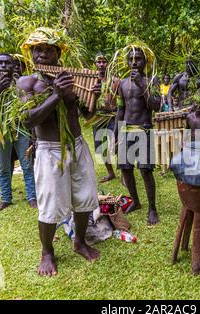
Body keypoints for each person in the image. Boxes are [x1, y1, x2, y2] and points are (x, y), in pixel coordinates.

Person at [17, 27, 102, 276]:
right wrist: (56, 95)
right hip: (50, 150)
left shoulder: (70, 77)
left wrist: (92, 97)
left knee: (85, 198)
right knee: (50, 206)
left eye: (49, 50)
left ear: (57, 54)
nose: (43, 55)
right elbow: (27, 120)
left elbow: (88, 114)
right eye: (38, 50)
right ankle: (47, 253)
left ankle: (80, 242)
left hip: (76, 145)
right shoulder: (27, 83)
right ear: (31, 54)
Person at [0, 53, 37, 212]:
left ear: (14, 66)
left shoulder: (21, 83)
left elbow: (28, 108)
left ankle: (32, 197)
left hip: (21, 129)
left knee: (27, 165)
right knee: (3, 167)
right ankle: (6, 199)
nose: (4, 66)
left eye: (8, 63)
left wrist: (33, 134)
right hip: (0, 132)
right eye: (0, 63)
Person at [114, 45, 161, 226]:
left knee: (146, 171)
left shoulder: (151, 81)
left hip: (144, 130)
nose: (134, 62)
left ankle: (152, 208)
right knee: (126, 169)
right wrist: (116, 135)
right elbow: (120, 109)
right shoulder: (122, 84)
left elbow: (155, 105)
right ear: (127, 62)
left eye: (138, 59)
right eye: (131, 59)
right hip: (126, 131)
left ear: (145, 62)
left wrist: (142, 84)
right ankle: (135, 200)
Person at [93, 53, 117, 183]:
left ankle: (125, 174)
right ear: (95, 64)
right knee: (101, 147)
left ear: (108, 64)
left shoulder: (114, 81)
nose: (101, 64)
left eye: (104, 62)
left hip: (113, 116)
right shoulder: (91, 80)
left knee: (118, 144)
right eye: (99, 62)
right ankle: (110, 172)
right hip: (97, 117)